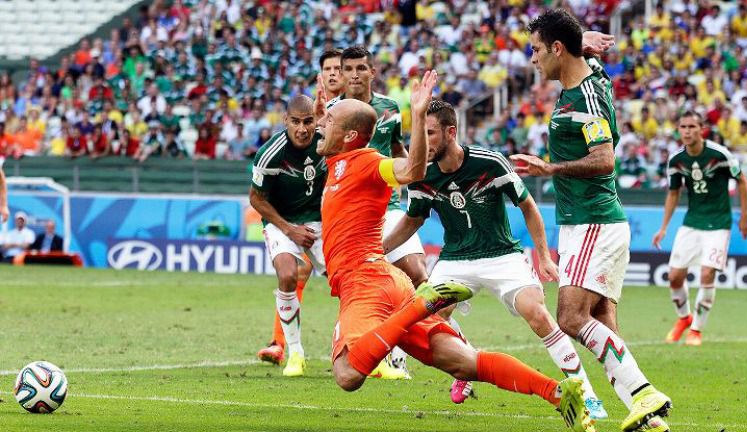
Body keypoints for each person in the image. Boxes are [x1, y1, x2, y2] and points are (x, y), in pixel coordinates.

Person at [317, 70, 594, 432]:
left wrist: (416, 116)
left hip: (366, 281)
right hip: (385, 279)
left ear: (350, 136)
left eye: (329, 120)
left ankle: (423, 302)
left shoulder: (368, 162)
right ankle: (559, 393)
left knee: (348, 373)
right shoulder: (337, 163)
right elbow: (319, 130)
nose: (322, 124)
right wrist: (327, 105)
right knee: (464, 363)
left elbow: (412, 169)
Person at [383, 99, 607, 419]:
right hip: (456, 259)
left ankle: (586, 392)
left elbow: (528, 206)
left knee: (538, 314)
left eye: (430, 133)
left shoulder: (490, 163)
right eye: (419, 132)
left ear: (451, 132)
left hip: (502, 255)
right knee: (431, 316)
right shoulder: (422, 175)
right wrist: (380, 249)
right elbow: (413, 220)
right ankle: (465, 369)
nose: (422, 141)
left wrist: (543, 256)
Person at [509, 10, 671, 432]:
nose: (533, 59)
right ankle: (649, 419)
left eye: (537, 50)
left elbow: (604, 160)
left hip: (592, 220)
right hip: (589, 221)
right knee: (602, 323)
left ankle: (644, 393)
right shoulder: (586, 80)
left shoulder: (586, 97)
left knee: (570, 318)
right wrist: (588, 45)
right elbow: (591, 63)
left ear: (558, 49)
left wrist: (550, 169)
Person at [326, 45, 428, 378]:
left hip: (390, 202)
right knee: (365, 282)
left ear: (373, 72)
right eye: (348, 68)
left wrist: (412, 170)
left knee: (418, 274)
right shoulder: (332, 112)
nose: (354, 74)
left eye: (361, 68)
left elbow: (397, 148)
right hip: (352, 210)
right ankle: (371, 342)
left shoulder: (389, 109)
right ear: (340, 73)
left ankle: (405, 346)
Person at [652, 112, 747, 346]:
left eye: (691, 126)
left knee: (707, 273)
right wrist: (663, 227)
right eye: (682, 127)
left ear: (701, 129)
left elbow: (742, 181)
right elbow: (674, 193)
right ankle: (684, 318)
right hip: (692, 222)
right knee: (675, 277)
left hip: (718, 224)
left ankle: (696, 330)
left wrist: (744, 217)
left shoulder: (719, 154)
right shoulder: (676, 160)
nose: (686, 131)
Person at [250, 95, 327, 377]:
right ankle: (295, 353)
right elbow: (256, 199)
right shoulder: (270, 153)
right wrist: (288, 228)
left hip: (320, 221)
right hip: (282, 222)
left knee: (347, 283)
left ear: (315, 120)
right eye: (295, 122)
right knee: (287, 275)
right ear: (286, 121)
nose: (302, 129)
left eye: (308, 121)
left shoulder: (327, 143)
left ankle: (354, 346)